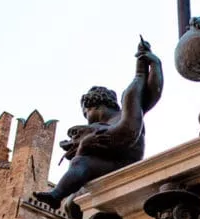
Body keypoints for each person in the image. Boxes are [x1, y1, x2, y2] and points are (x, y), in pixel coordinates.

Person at [33, 38, 163, 210]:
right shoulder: (120, 115)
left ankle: (56, 195)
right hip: (111, 165)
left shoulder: (126, 111)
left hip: (125, 163)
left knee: (81, 164)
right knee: (72, 205)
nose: (86, 118)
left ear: (93, 106)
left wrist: (154, 65)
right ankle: (64, 201)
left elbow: (152, 92)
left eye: (86, 113)